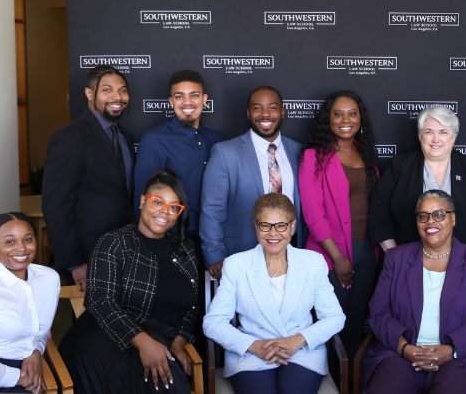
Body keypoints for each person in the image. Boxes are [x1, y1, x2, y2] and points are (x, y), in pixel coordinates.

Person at [59, 170, 199, 394]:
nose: (166, 211)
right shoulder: (114, 242)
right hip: (104, 336)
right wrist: (144, 342)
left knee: (163, 372)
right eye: (158, 202)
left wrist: (180, 343)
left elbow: (192, 305)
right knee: (161, 378)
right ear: (143, 201)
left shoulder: (185, 248)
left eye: (174, 207)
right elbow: (100, 301)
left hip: (160, 340)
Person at [362, 190, 466, 394]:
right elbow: (379, 312)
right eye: (423, 216)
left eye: (439, 214)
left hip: (459, 359)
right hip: (401, 355)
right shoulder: (396, 259)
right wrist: (405, 349)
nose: (431, 222)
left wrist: (452, 350)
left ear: (453, 219)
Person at [202, 193, 345, 394]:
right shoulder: (236, 265)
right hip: (250, 354)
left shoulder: (313, 263)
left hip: (301, 352)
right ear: (256, 226)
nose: (273, 233)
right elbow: (213, 322)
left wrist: (298, 340)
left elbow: (334, 317)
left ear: (292, 226)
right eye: (265, 225)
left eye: (281, 225)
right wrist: (253, 345)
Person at [298, 90, 380, 370]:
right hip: (331, 252)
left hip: (367, 251)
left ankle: (350, 381)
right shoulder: (314, 157)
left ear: (360, 118)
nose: (346, 120)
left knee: (356, 320)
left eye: (352, 113)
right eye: (338, 113)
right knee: (331, 321)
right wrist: (338, 258)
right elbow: (313, 214)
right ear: (328, 119)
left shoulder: (365, 152)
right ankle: (326, 377)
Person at [43, 64, 134, 291]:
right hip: (86, 255)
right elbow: (55, 207)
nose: (117, 97)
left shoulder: (124, 136)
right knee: (90, 325)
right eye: (107, 90)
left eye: (122, 90)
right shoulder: (68, 139)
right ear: (89, 93)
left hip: (124, 250)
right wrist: (74, 263)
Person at [200, 85, 304, 281]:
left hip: (292, 257)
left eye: (272, 108)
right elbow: (212, 211)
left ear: (282, 112)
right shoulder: (225, 152)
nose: (265, 114)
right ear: (248, 113)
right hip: (241, 256)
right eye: (257, 108)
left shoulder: (299, 152)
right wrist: (215, 256)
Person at [369, 106, 466, 254]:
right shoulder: (400, 166)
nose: (435, 139)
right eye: (429, 132)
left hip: (465, 264)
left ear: (453, 137)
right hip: (409, 263)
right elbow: (379, 212)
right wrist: (395, 257)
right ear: (421, 135)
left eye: (443, 132)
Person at [133, 69, 225, 272]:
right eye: (179, 96)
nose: (187, 102)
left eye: (194, 95)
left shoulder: (217, 139)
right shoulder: (155, 140)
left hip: (215, 241)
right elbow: (143, 201)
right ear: (170, 101)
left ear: (205, 99)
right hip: (172, 241)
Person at [0, 213, 60, 394]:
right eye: (10, 242)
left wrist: (35, 353)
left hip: (30, 364)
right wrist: (21, 378)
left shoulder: (49, 279)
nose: (22, 248)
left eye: (28, 239)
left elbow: (41, 332)